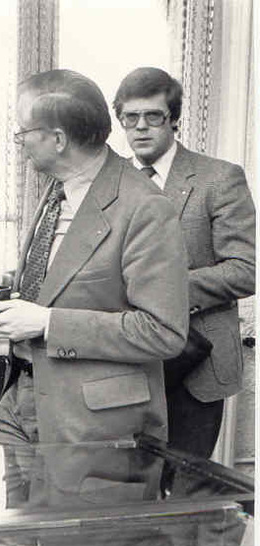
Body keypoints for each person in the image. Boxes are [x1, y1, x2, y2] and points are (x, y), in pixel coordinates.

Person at [0, 69, 189, 448]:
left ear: (59, 139)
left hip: (92, 424)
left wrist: (48, 322)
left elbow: (163, 332)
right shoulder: (58, 186)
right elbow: (74, 274)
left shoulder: (145, 207)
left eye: (24, 132)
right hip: (19, 400)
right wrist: (19, 281)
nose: (19, 142)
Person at [113, 67, 256, 461]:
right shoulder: (112, 182)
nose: (141, 127)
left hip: (197, 366)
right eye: (130, 118)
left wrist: (165, 292)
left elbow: (246, 269)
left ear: (174, 119)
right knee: (127, 481)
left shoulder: (219, 178)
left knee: (185, 485)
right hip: (128, 363)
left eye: (153, 116)